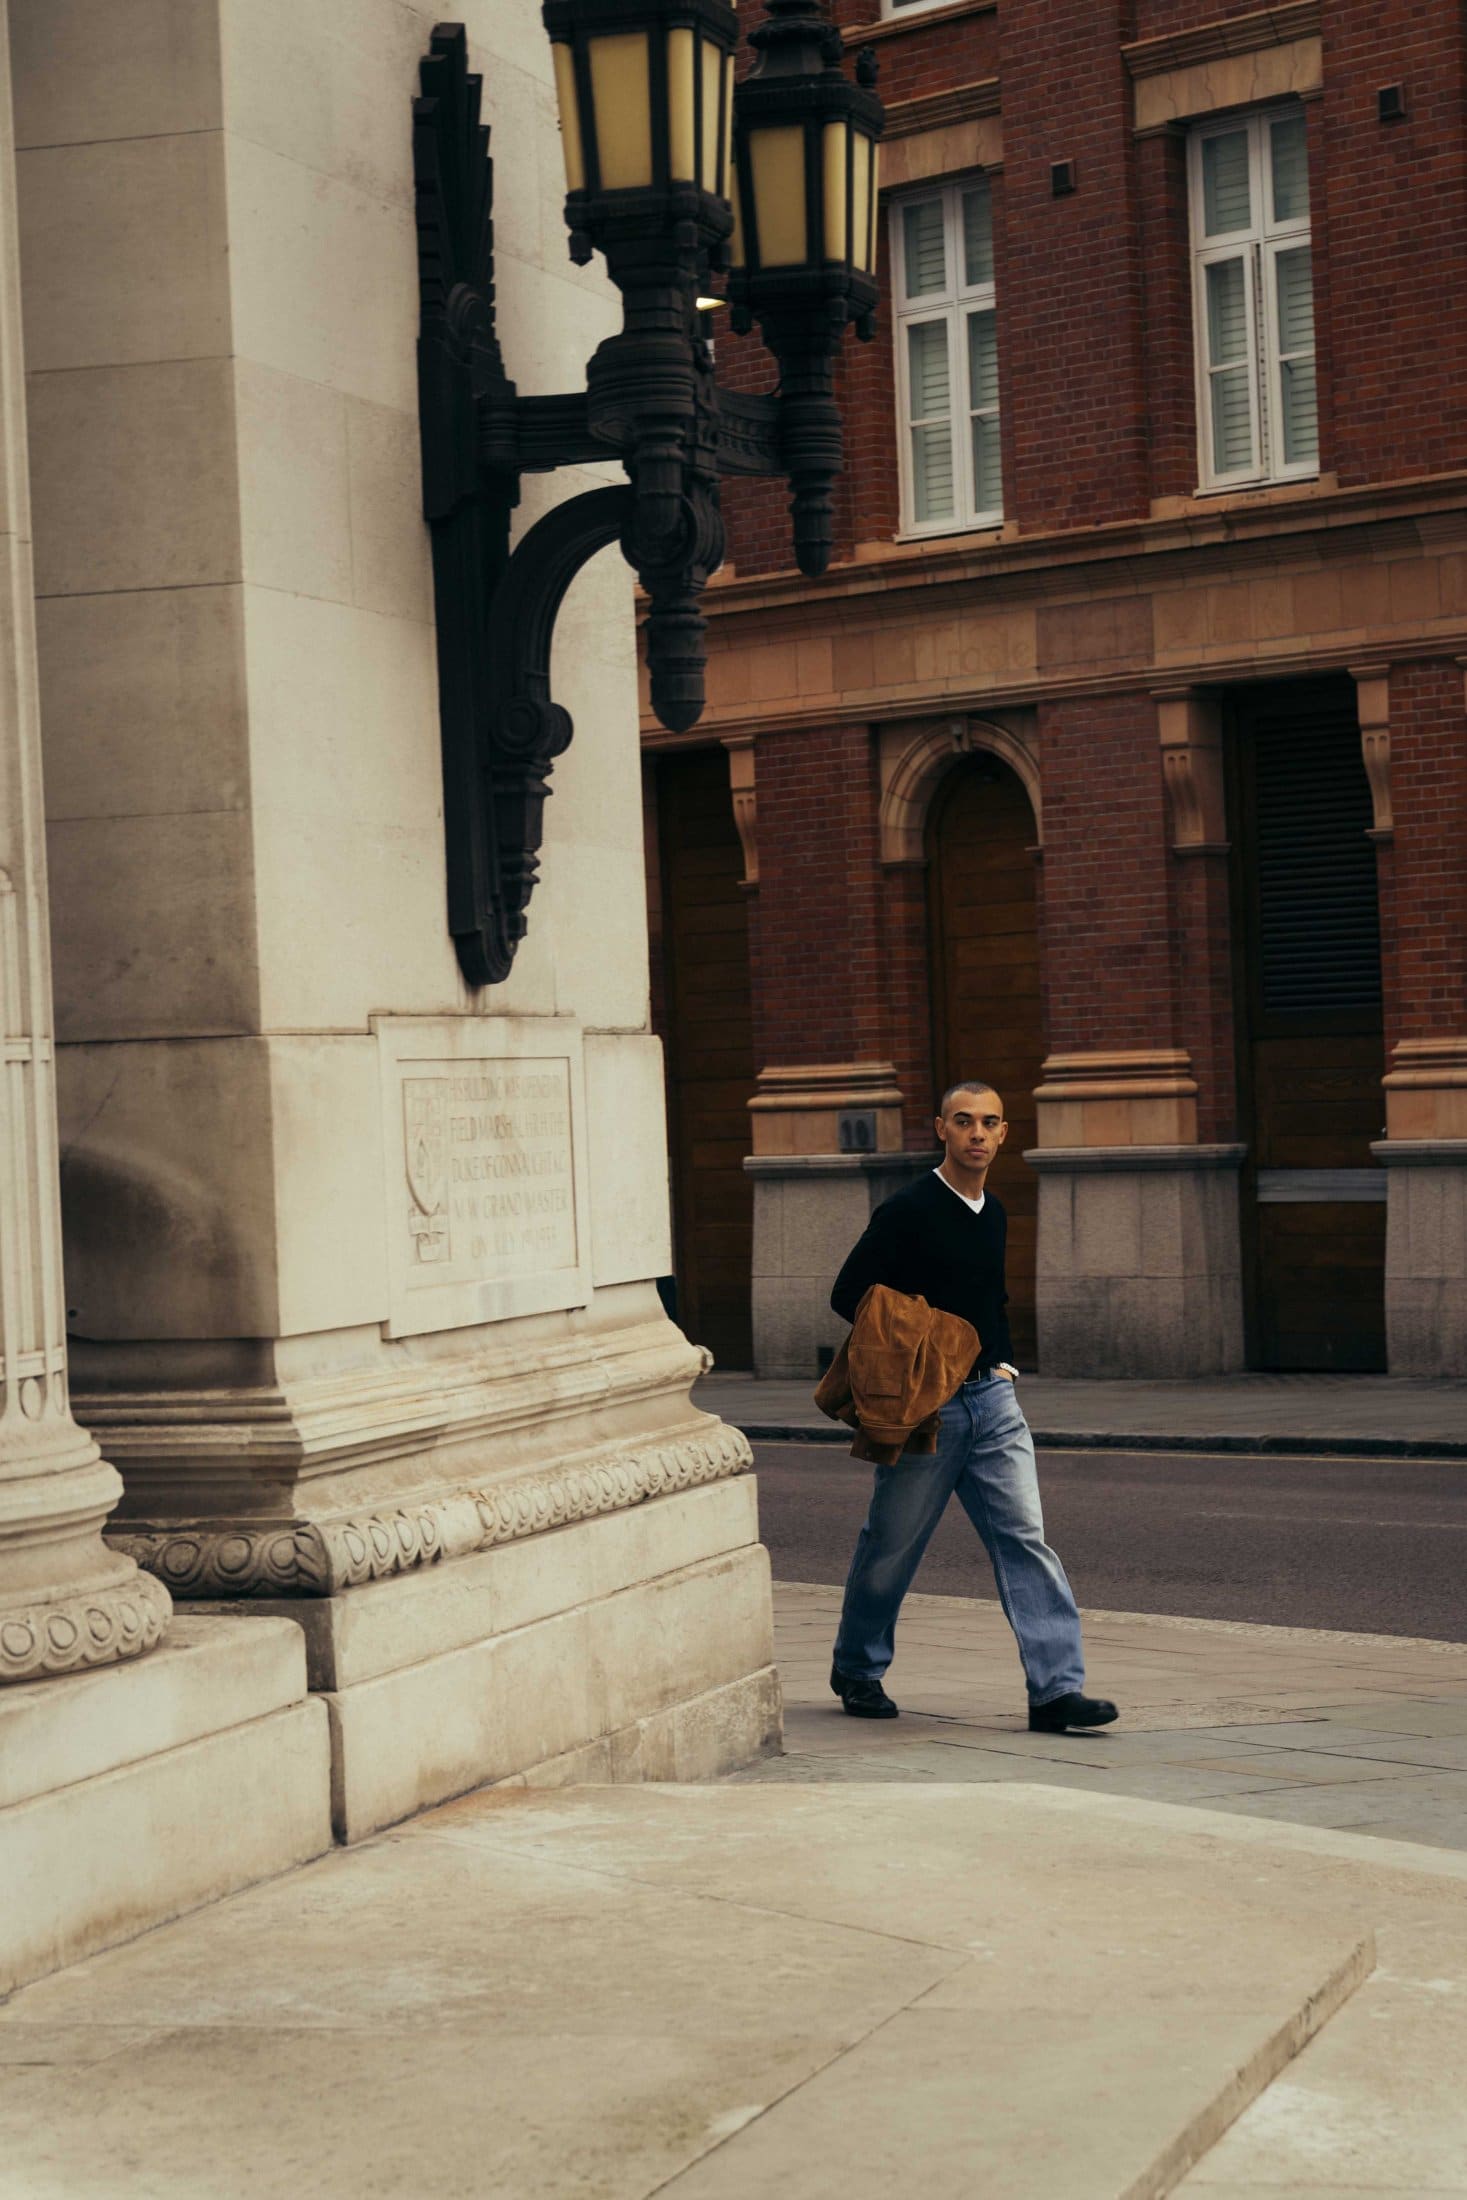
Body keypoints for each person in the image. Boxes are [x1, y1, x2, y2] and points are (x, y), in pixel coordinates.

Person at [827, 1080, 1117, 1734]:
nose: (977, 1134)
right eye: (964, 1122)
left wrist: (1004, 1360)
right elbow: (849, 1293)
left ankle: (1055, 1691)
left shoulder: (995, 1210)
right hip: (928, 1407)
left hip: (993, 1398)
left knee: (1024, 1540)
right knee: (892, 1545)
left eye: (989, 1122)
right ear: (940, 1129)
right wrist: (927, 1345)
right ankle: (858, 1668)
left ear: (1004, 1133)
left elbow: (994, 1299)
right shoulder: (907, 1209)